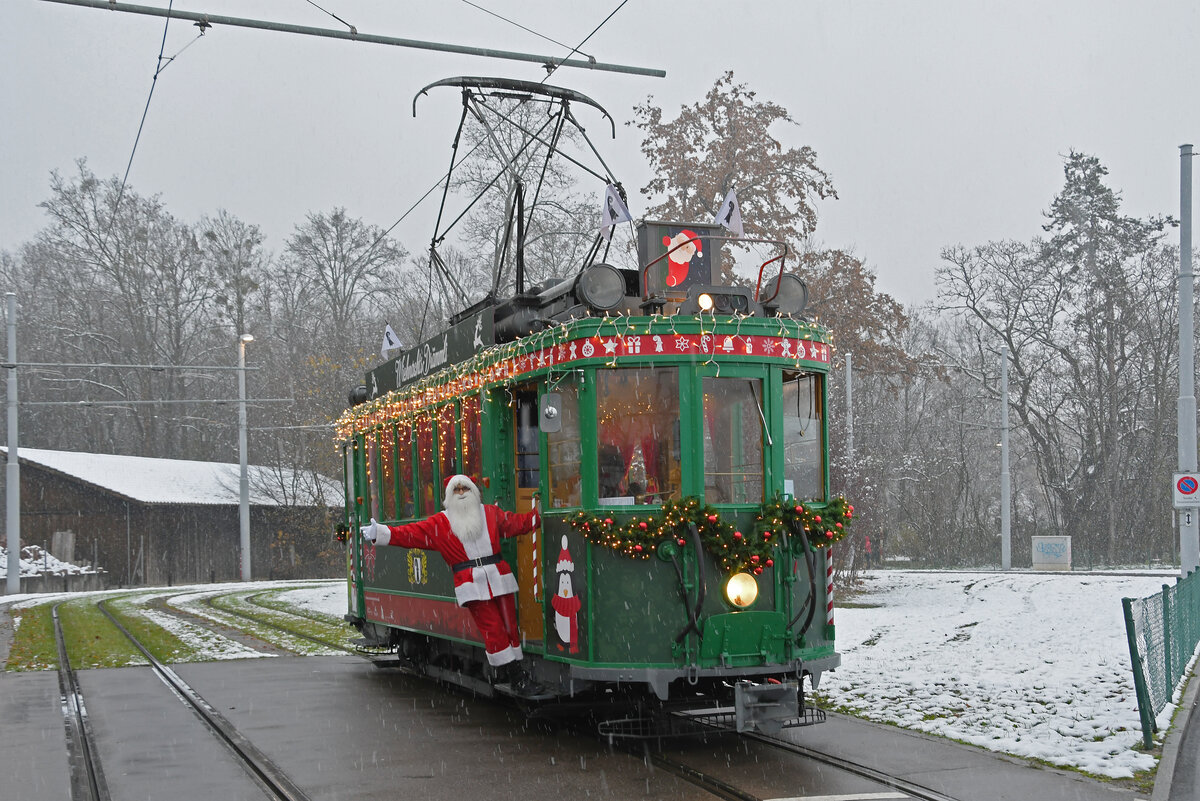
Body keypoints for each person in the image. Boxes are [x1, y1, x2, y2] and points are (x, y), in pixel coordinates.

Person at [359, 474, 543, 695]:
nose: (462, 493)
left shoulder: (490, 514)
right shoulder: (440, 522)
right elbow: (410, 534)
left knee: (509, 626)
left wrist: (541, 514)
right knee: (493, 628)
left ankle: (511, 672)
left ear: (474, 491)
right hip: (471, 584)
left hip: (499, 578)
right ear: (449, 496)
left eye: (465, 488)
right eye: (456, 491)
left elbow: (517, 524)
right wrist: (381, 533)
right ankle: (517, 677)